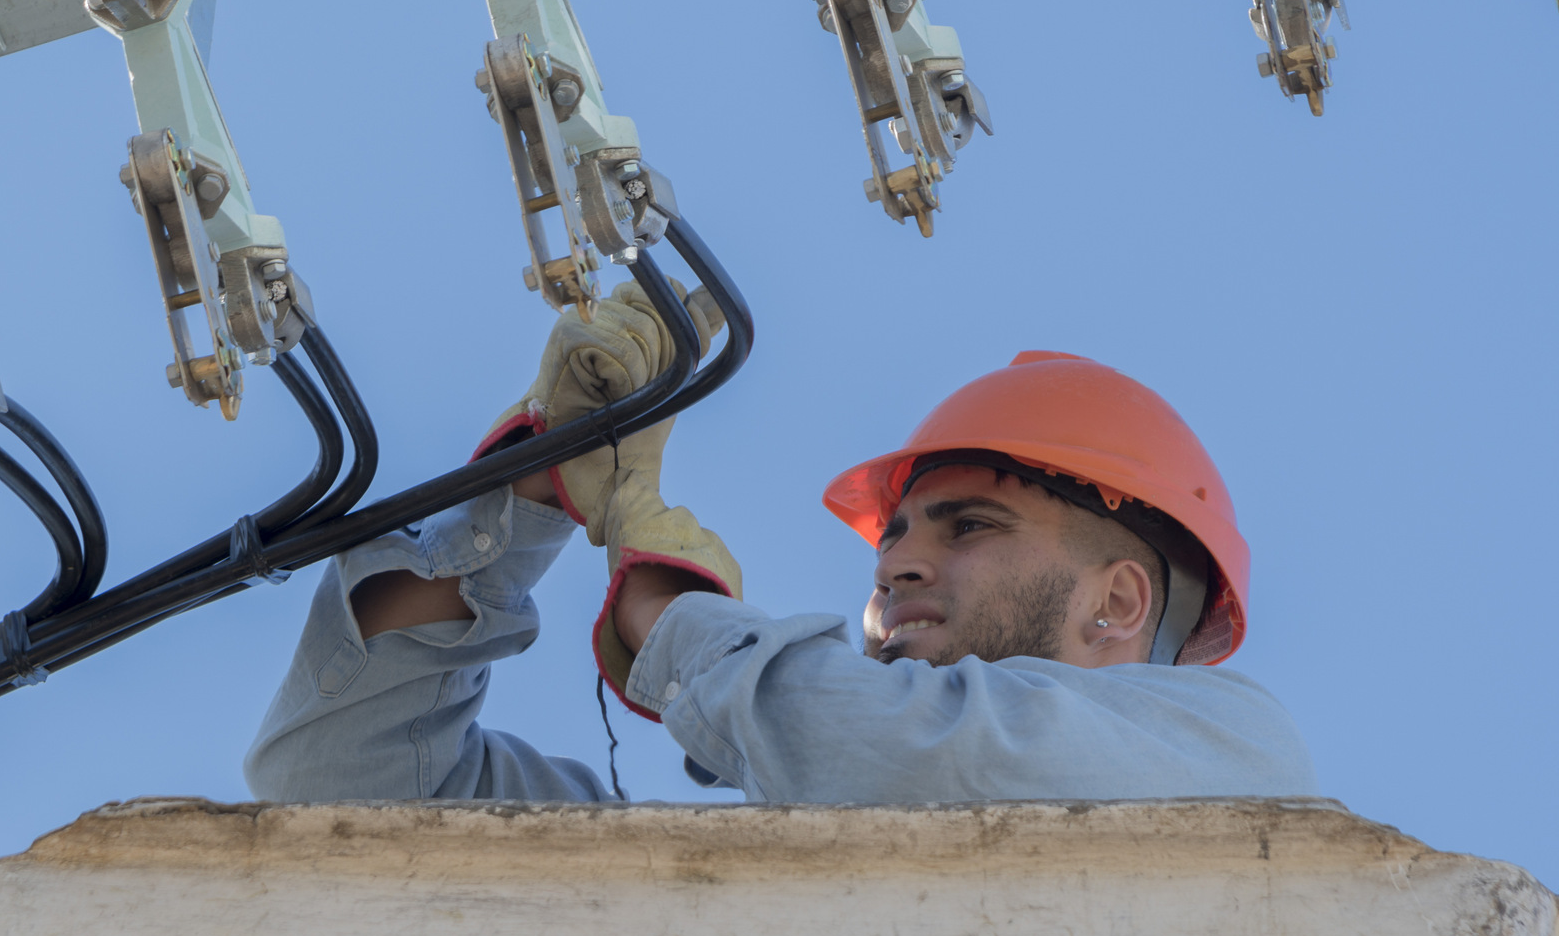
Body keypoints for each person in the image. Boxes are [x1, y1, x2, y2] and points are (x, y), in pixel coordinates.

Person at [245, 285, 1316, 803]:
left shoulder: (1230, 758)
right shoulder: (770, 872)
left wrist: (669, 618)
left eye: (971, 525)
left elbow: (920, 750)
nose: (891, 565)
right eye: (891, 536)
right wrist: (526, 502)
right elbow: (337, 788)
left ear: (1118, 604)